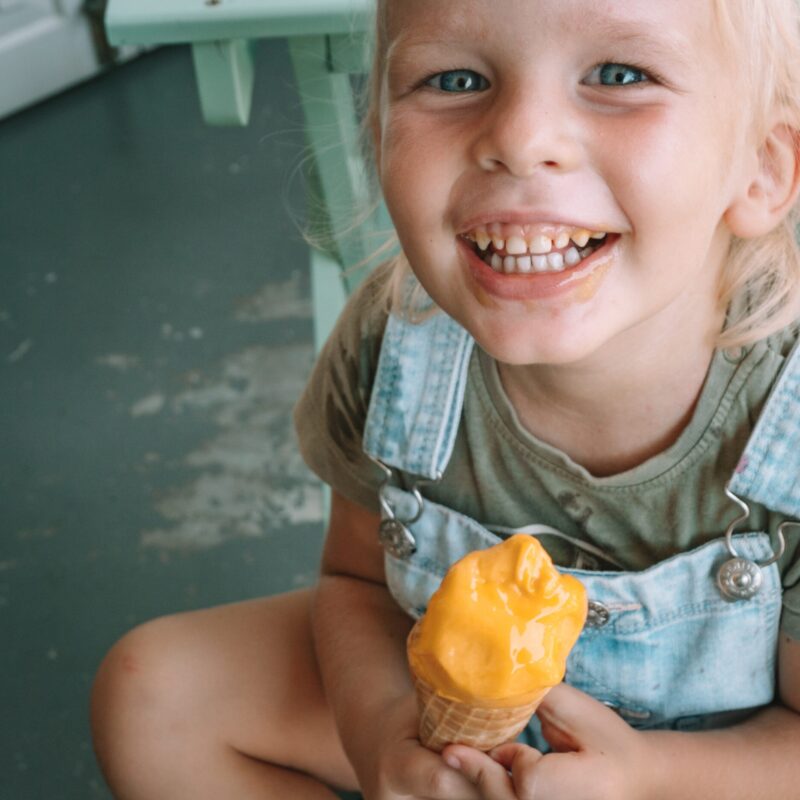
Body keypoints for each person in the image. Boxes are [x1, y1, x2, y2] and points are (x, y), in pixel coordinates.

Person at [90, 0, 800, 797]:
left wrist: (645, 779)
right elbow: (357, 585)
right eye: (454, 78)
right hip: (454, 739)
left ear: (763, 168)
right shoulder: (396, 349)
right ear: (377, 137)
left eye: (619, 75)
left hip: (714, 772)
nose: (520, 139)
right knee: (155, 692)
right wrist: (378, 735)